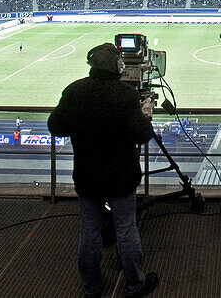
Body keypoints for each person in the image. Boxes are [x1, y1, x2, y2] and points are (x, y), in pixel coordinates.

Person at [48, 43, 159, 298]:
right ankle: (134, 284)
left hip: (88, 176)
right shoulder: (124, 95)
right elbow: (143, 134)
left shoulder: (75, 91)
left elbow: (56, 126)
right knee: (126, 228)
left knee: (89, 230)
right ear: (117, 66)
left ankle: (91, 286)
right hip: (121, 177)